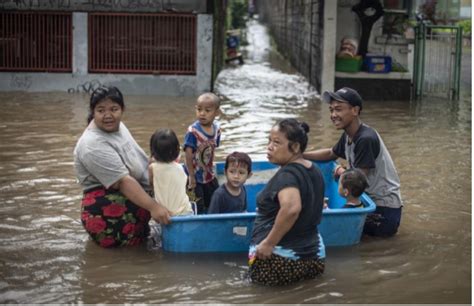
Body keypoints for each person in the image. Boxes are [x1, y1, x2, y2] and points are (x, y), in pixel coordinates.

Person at [74, 86, 171, 248]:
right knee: (130, 258)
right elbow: (123, 182)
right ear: (93, 112)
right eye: (101, 110)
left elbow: (137, 158)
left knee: (142, 249)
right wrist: (154, 207)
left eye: (114, 109)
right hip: (109, 215)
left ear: (122, 109)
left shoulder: (117, 126)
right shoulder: (91, 144)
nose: (108, 116)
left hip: (134, 202)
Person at [303, 87, 403, 237]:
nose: (333, 115)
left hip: (383, 210)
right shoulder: (349, 134)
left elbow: (357, 181)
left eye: (338, 109)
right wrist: (301, 155)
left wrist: (342, 172)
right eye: (331, 110)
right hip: (369, 202)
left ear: (355, 110)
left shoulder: (365, 139)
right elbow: (331, 153)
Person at [248, 118, 325, 286]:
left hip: (280, 259)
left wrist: (269, 243)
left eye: (276, 142)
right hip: (314, 256)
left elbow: (291, 209)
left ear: (295, 147)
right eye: (269, 141)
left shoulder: (287, 176)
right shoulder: (314, 169)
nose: (269, 147)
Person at [183, 92, 221, 214]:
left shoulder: (217, 130)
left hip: (208, 174)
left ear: (216, 113)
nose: (202, 113)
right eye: (199, 109)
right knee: (197, 205)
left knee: (214, 200)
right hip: (194, 176)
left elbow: (212, 150)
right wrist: (191, 176)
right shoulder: (193, 132)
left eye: (207, 110)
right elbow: (188, 154)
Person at [149, 128, 194, 216]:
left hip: (166, 215)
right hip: (186, 212)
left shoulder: (152, 168)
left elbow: (150, 184)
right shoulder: (180, 168)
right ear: (176, 151)